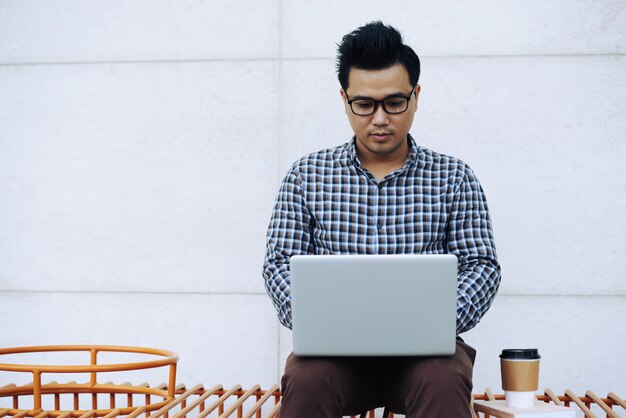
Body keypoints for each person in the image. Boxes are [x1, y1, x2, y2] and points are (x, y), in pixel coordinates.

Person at [262, 21, 501, 418]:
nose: (379, 119)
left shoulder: (454, 177)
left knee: (443, 380)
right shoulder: (306, 175)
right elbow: (279, 264)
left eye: (394, 102)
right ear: (344, 99)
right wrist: (311, 319)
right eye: (364, 104)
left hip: (426, 355)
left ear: (416, 96)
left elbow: (482, 266)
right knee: (307, 379)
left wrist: (437, 321)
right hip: (333, 353)